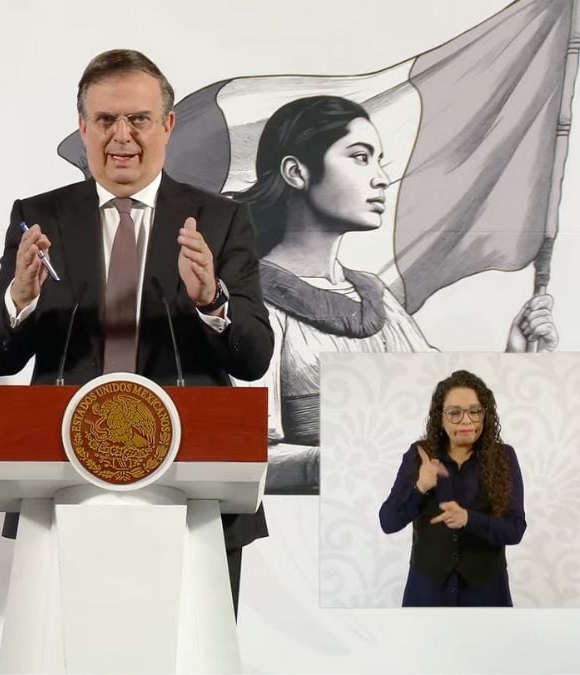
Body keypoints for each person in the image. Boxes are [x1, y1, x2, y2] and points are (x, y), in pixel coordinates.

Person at [0, 49, 274, 614]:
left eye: (138, 119)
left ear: (167, 125)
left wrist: (212, 299)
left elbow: (254, 357)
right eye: (106, 120)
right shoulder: (41, 218)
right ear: (82, 128)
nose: (122, 136)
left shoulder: (219, 219)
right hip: (66, 484)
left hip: (196, 487)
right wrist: (20, 299)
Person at [229, 95, 558, 494]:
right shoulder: (249, 302)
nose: (382, 177)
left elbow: (446, 413)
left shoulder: (376, 297)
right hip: (310, 535)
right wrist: (356, 461)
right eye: (360, 157)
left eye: (379, 159)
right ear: (296, 172)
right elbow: (240, 458)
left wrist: (516, 359)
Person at [378, 369, 526, 606]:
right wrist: (420, 487)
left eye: (475, 411)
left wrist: (468, 518)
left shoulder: (504, 457)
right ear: (440, 417)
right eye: (455, 413)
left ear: (484, 415)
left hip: (487, 594)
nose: (466, 420)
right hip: (427, 592)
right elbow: (388, 522)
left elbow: (515, 529)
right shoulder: (419, 455)